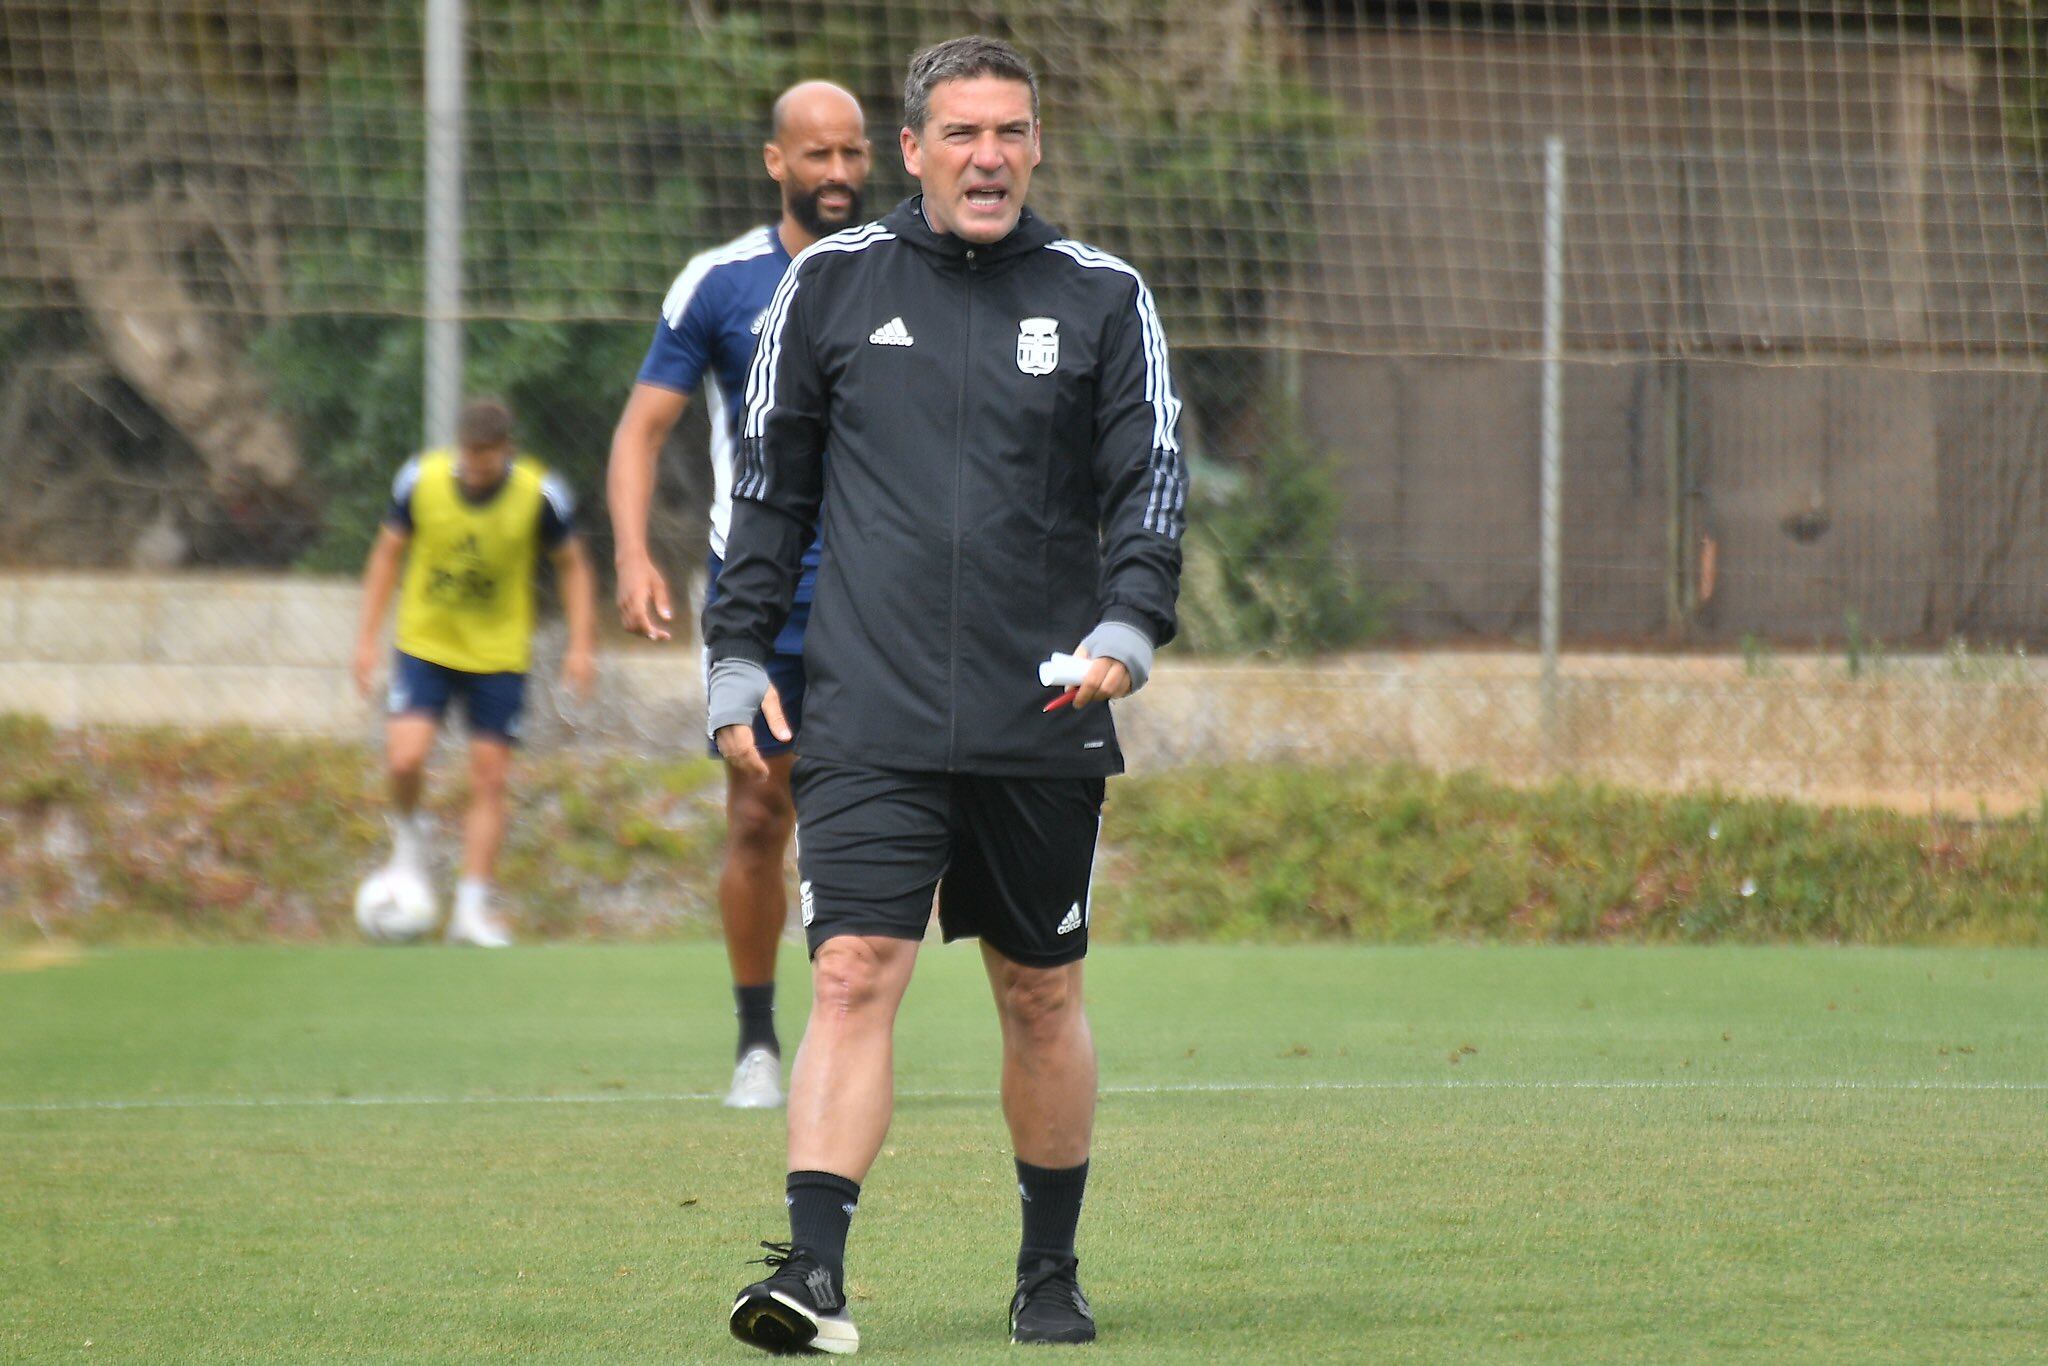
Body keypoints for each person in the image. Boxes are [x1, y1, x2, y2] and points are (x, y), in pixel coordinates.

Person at [707, 36, 1187, 1354]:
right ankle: (811, 1271)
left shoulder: (1102, 297)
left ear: (1037, 147)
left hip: (1040, 712)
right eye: (962, 133)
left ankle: (1046, 1269)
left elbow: (1148, 481)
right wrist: (739, 655)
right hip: (869, 709)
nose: (989, 156)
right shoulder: (830, 290)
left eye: (1012, 132)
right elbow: (769, 489)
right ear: (910, 150)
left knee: (1040, 991)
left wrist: (1129, 623)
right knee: (854, 969)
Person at [608, 81, 872, 1109]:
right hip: (757, 594)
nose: (839, 174)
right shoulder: (718, 285)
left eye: (853, 154)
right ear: (776, 162)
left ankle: (845, 1022)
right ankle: (758, 1040)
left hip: (878, 595)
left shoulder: (903, 274)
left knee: (865, 813)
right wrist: (632, 553)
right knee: (759, 809)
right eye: (817, 156)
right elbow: (640, 430)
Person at [353, 397, 597, 946]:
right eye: (470, 455)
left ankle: (470, 907)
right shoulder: (421, 480)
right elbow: (387, 554)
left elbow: (573, 564)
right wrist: (366, 639)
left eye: (488, 456)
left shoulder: (540, 493)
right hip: (425, 645)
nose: (478, 466)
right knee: (405, 756)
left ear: (506, 449)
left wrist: (581, 645)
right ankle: (410, 845)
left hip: (498, 655)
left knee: (489, 778)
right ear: (459, 447)